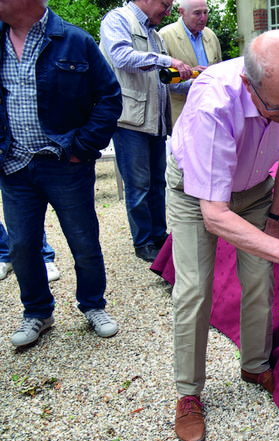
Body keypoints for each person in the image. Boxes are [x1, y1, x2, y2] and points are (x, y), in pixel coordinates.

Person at [167, 30, 279, 441]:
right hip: (197, 195)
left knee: (261, 280)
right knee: (194, 290)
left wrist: (276, 218)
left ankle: (255, 364)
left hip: (255, 190)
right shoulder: (213, 101)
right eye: (277, 108)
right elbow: (214, 215)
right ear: (249, 85)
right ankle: (188, 393)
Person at [0, 0, 122, 347]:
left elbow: (110, 98)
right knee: (22, 246)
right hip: (14, 166)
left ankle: (93, 305)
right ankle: (37, 313)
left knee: (83, 241)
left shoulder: (75, 40)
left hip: (64, 164)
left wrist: (82, 149)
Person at [100, 0, 194, 262]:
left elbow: (165, 81)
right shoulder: (116, 20)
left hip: (155, 121)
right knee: (138, 186)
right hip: (130, 122)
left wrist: (199, 80)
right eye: (165, 4)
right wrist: (166, 59)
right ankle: (143, 242)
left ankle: (158, 235)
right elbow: (122, 57)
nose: (168, 12)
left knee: (156, 183)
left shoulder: (153, 34)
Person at [159, 0, 222, 124]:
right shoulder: (165, 36)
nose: (203, 18)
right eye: (197, 13)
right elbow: (160, 81)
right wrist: (195, 82)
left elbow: (220, 71)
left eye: (205, 12)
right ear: (181, 12)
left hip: (211, 114)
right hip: (181, 116)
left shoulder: (211, 36)